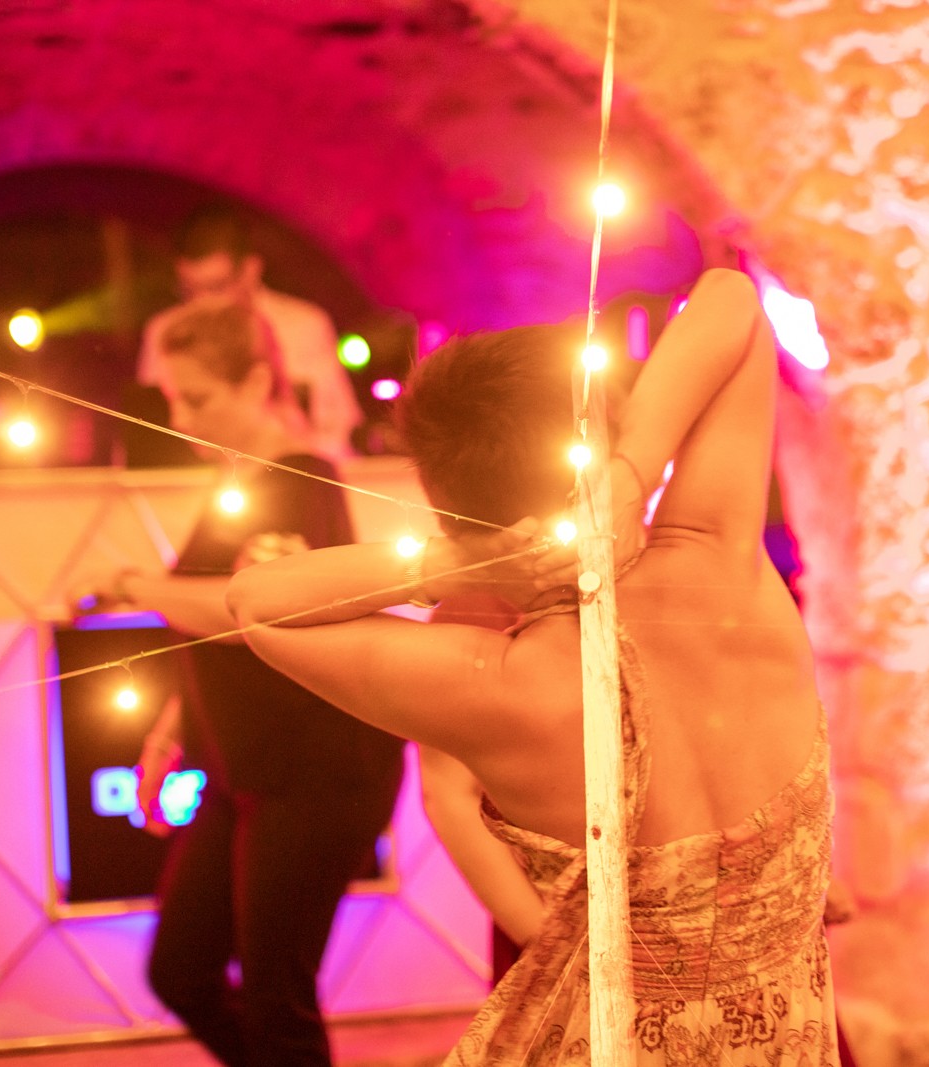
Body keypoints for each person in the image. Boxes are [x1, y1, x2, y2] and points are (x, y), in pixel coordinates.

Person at [226, 266, 840, 1062]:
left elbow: (256, 603)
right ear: (601, 433)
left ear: (447, 505)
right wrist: (632, 473)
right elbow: (730, 298)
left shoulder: (497, 684)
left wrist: (459, 562)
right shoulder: (715, 557)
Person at [89, 299, 404, 1067]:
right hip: (246, 771)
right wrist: (171, 728)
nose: (180, 418)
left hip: (317, 773)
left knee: (276, 999)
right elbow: (215, 633)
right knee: (181, 971)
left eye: (196, 398)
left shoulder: (302, 480)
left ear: (259, 380)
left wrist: (136, 585)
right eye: (173, 398)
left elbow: (245, 612)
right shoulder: (241, 481)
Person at [137, 205, 363, 459]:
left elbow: (337, 430)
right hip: (195, 475)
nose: (202, 302)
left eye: (216, 286)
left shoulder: (304, 325)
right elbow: (149, 435)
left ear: (250, 270)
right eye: (190, 289)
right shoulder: (164, 330)